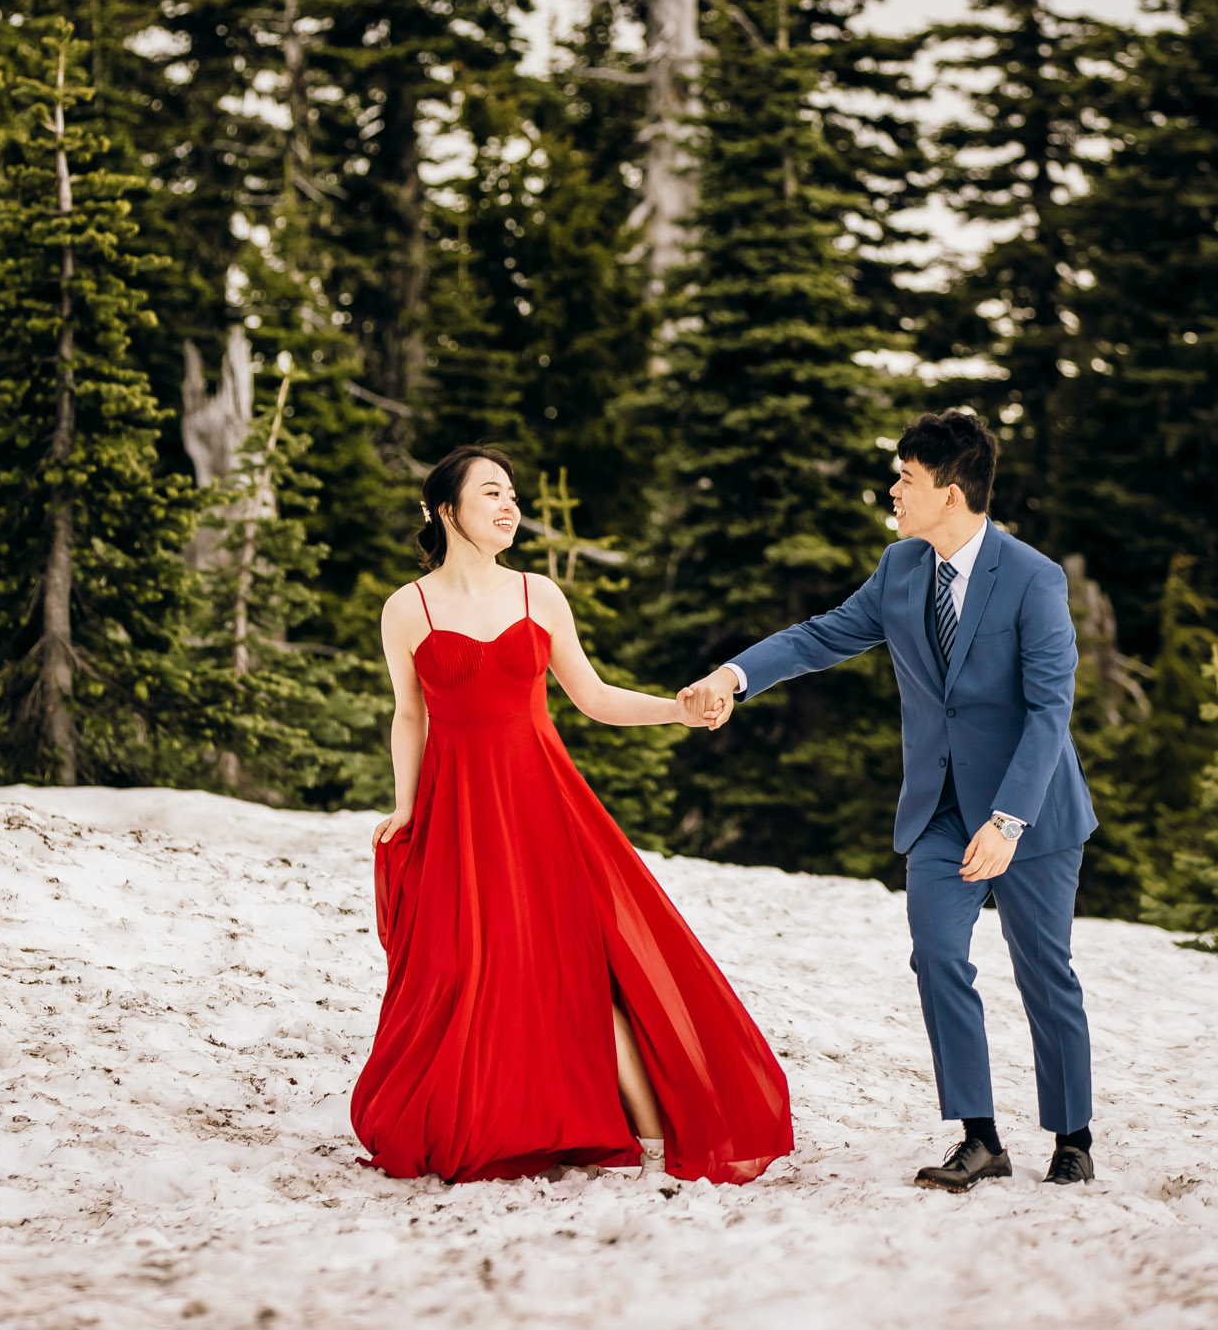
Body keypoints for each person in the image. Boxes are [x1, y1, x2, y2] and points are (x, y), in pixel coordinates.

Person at [351, 443, 793, 1185]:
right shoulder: (408, 607)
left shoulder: (538, 595)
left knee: (581, 964)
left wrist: (674, 714)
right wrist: (405, 805)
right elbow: (408, 715)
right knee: (470, 966)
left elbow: (592, 698)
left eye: (513, 494)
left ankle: (648, 1115)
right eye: (490, 492)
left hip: (542, 802)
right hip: (458, 810)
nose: (508, 505)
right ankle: (498, 1108)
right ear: (447, 509)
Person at [682, 409, 1097, 1193]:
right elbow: (817, 636)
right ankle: (979, 1136)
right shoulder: (899, 569)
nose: (892, 491)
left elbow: (1050, 711)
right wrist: (732, 677)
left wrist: (1008, 821)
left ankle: (1071, 1136)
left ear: (949, 490)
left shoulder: (1033, 577)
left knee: (1045, 972)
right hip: (938, 809)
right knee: (937, 954)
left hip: (1028, 810)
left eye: (905, 478)